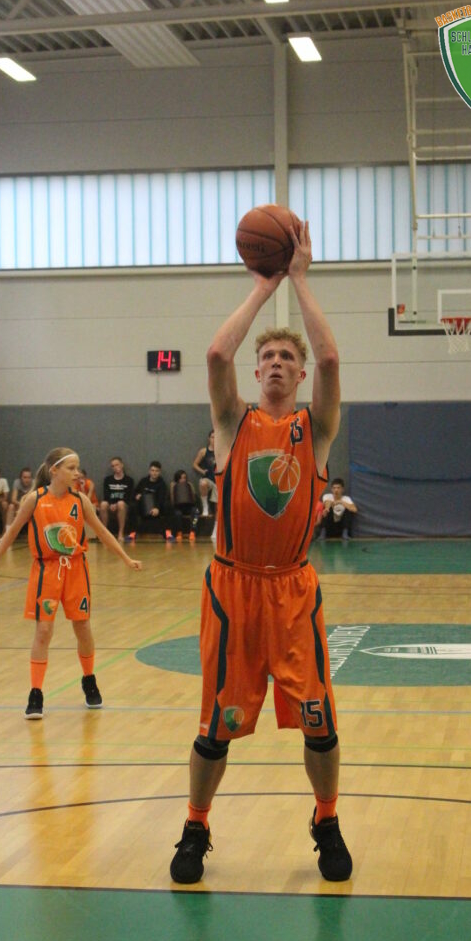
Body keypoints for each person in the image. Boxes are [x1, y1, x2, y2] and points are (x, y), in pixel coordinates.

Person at [170, 219, 352, 885]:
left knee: (319, 723)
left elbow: (332, 361)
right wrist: (263, 286)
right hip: (232, 588)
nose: (276, 363)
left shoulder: (315, 426)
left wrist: (300, 280)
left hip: (292, 590)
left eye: (286, 358)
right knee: (215, 727)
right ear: (257, 371)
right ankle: (196, 827)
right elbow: (216, 354)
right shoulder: (232, 421)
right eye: (267, 357)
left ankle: (326, 820)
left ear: (299, 374)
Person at [0, 447, 142, 719]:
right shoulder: (34, 499)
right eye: (71, 468)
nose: (77, 473)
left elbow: (102, 532)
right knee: (43, 630)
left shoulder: (80, 500)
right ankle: (36, 692)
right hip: (46, 570)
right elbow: (12, 532)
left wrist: (126, 558)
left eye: (78, 468)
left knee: (83, 628)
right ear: (54, 470)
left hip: (76, 570)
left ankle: (89, 679)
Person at [99, 457, 134, 541]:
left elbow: (128, 496)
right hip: (110, 503)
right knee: (103, 504)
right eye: (113, 466)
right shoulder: (108, 480)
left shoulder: (129, 480)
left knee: (120, 504)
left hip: (123, 504)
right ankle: (104, 533)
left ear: (122, 465)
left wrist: (116, 504)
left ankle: (120, 533)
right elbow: (106, 495)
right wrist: (111, 503)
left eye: (117, 465)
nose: (115, 467)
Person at [133, 461, 169, 537]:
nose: (154, 473)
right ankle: (133, 532)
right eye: (152, 470)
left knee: (167, 506)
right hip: (143, 507)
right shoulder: (143, 481)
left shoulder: (162, 484)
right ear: (149, 471)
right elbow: (135, 492)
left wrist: (157, 508)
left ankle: (167, 533)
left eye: (156, 471)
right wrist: (136, 495)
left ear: (159, 472)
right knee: (133, 506)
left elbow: (161, 498)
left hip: (156, 507)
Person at [170, 469, 200, 540]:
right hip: (178, 507)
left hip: (189, 506)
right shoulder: (174, 485)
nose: (183, 480)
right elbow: (172, 500)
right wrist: (173, 488)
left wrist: (191, 489)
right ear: (177, 479)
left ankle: (193, 531)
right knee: (177, 514)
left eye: (184, 478)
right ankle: (179, 532)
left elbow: (194, 499)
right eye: (181, 478)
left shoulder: (189, 485)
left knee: (196, 512)